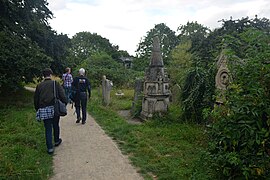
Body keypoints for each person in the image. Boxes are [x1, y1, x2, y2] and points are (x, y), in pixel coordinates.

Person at [34, 68, 68, 154]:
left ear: (43, 76)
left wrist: (37, 109)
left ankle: (50, 148)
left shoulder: (39, 86)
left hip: (44, 109)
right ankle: (56, 140)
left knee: (48, 128)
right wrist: (65, 102)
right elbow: (62, 95)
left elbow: (36, 99)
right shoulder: (55, 84)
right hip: (54, 108)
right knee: (56, 125)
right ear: (51, 74)